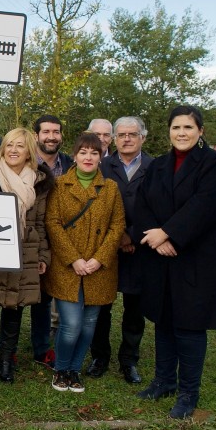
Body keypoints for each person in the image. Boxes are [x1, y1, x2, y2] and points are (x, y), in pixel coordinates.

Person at [133, 105, 216, 419]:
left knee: (189, 326)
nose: (182, 133)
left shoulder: (212, 163)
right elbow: (143, 202)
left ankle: (189, 392)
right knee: (164, 320)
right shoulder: (159, 165)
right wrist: (157, 238)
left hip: (197, 258)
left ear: (200, 131)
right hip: (162, 258)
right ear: (169, 131)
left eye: (188, 128)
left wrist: (169, 234)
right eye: (176, 127)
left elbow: (208, 204)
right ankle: (164, 381)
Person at [0, 128, 53, 383]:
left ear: (29, 151)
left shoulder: (39, 181)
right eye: (9, 145)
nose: (13, 150)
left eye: (20, 146)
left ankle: (6, 360)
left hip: (23, 251)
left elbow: (39, 222)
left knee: (14, 308)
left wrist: (43, 256)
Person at [44, 132, 125, 394]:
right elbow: (53, 223)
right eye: (83, 152)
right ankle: (61, 369)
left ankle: (74, 370)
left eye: (94, 152)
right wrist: (73, 258)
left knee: (89, 326)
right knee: (71, 326)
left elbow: (117, 225)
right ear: (75, 156)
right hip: (68, 267)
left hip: (99, 269)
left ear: (101, 157)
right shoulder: (59, 185)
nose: (88, 157)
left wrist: (99, 259)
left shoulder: (110, 188)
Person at [86, 117, 154, 383]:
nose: (126, 139)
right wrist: (118, 235)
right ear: (113, 138)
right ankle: (99, 356)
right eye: (121, 134)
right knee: (101, 307)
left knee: (135, 310)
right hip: (105, 248)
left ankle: (129, 360)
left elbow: (159, 205)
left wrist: (132, 236)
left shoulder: (154, 167)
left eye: (132, 134)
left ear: (143, 138)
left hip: (141, 248)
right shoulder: (102, 165)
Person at [30, 114, 74, 368]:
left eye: (56, 132)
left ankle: (42, 347)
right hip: (33, 235)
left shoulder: (70, 165)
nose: (51, 136)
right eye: (46, 132)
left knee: (49, 294)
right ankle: (33, 343)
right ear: (36, 135)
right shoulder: (26, 163)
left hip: (61, 236)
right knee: (30, 293)